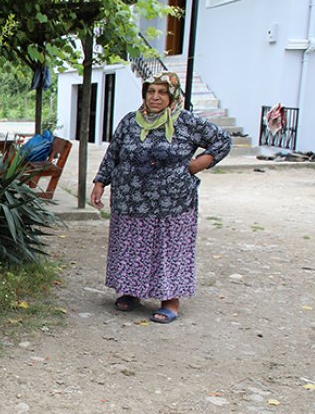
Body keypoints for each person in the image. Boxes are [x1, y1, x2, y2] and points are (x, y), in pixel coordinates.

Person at [90, 71, 231, 324]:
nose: (155, 97)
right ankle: (132, 292)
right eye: (151, 91)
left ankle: (170, 300)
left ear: (173, 95)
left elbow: (222, 140)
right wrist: (100, 182)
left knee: (168, 249)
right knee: (132, 247)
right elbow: (114, 153)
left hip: (172, 202)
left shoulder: (187, 122)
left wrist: (198, 164)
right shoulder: (130, 121)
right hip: (130, 200)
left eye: (162, 92)